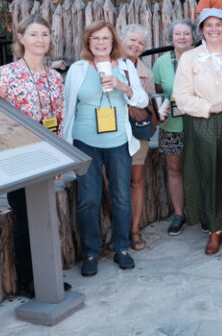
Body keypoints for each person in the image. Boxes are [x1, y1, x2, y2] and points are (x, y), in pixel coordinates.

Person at [0, 15, 64, 294]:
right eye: (33, 34)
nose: (40, 39)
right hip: (18, 157)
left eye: (44, 34)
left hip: (48, 157)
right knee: (25, 220)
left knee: (45, 216)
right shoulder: (5, 75)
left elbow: (59, 118)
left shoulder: (55, 77)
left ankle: (48, 275)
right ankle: (27, 280)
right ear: (21, 38)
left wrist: (60, 159)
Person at [63, 21, 148, 276]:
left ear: (113, 42)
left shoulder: (125, 67)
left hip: (118, 142)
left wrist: (123, 86)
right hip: (85, 142)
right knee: (88, 200)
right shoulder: (78, 69)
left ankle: (121, 247)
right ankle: (90, 252)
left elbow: (142, 100)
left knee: (121, 196)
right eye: (95, 38)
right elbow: (68, 108)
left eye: (105, 38)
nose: (100, 43)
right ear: (88, 42)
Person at [173, 8, 222, 255]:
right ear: (201, 30)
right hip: (202, 121)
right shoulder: (190, 57)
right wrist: (210, 106)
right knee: (208, 173)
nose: (214, 29)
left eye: (219, 24)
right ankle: (214, 229)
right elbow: (181, 95)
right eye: (209, 25)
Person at [152, 19, 198, 237]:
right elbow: (157, 91)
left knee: (201, 168)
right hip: (172, 125)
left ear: (193, 37)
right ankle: (179, 214)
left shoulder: (201, 58)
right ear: (170, 38)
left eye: (186, 33)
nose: (181, 37)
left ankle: (201, 211)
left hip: (199, 123)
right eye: (177, 34)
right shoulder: (161, 63)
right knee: (174, 170)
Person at [120, 24, 157, 251]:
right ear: (122, 39)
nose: (136, 45)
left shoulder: (146, 73)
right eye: (132, 40)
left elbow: (150, 103)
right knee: (114, 182)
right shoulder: (107, 65)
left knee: (136, 180)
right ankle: (120, 229)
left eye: (140, 43)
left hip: (136, 130)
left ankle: (134, 230)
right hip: (111, 131)